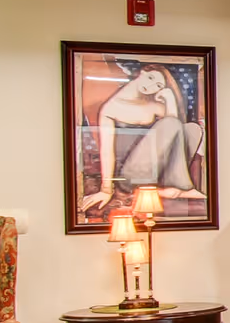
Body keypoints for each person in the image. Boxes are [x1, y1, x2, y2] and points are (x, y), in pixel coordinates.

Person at [78, 64, 207, 214]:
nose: (151, 86)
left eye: (157, 86)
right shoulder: (110, 108)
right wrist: (106, 190)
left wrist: (169, 98)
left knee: (191, 129)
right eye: (151, 78)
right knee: (171, 123)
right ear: (142, 72)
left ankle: (169, 188)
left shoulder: (154, 105)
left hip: (156, 171)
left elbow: (176, 135)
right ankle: (181, 187)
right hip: (131, 174)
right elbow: (106, 151)